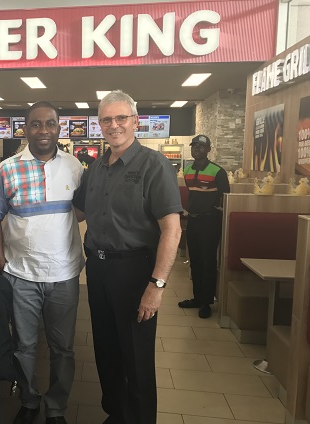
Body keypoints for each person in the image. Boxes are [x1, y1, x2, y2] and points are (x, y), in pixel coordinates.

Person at [73, 90, 182, 424]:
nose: (114, 125)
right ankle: (116, 413)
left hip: (136, 272)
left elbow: (172, 230)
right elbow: (77, 211)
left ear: (135, 122)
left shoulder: (154, 165)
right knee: (106, 350)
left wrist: (157, 285)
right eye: (107, 119)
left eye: (121, 118)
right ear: (99, 125)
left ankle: (139, 418)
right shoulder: (95, 168)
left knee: (135, 356)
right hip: (99, 269)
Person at [0, 101, 84, 424]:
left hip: (65, 274)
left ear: (59, 128)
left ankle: (56, 407)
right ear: (25, 128)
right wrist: (1, 264)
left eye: (50, 124)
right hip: (21, 275)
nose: (43, 130)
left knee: (63, 349)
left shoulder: (75, 167)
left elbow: (82, 212)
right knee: (23, 345)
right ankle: (29, 400)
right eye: (36, 124)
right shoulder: (6, 169)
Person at [178, 135, 230, 319]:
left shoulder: (218, 171)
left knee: (208, 263)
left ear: (209, 149)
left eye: (201, 146)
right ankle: (197, 298)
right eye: (194, 146)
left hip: (210, 222)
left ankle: (207, 302)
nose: (197, 149)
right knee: (196, 262)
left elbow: (225, 198)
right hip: (193, 221)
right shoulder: (188, 170)